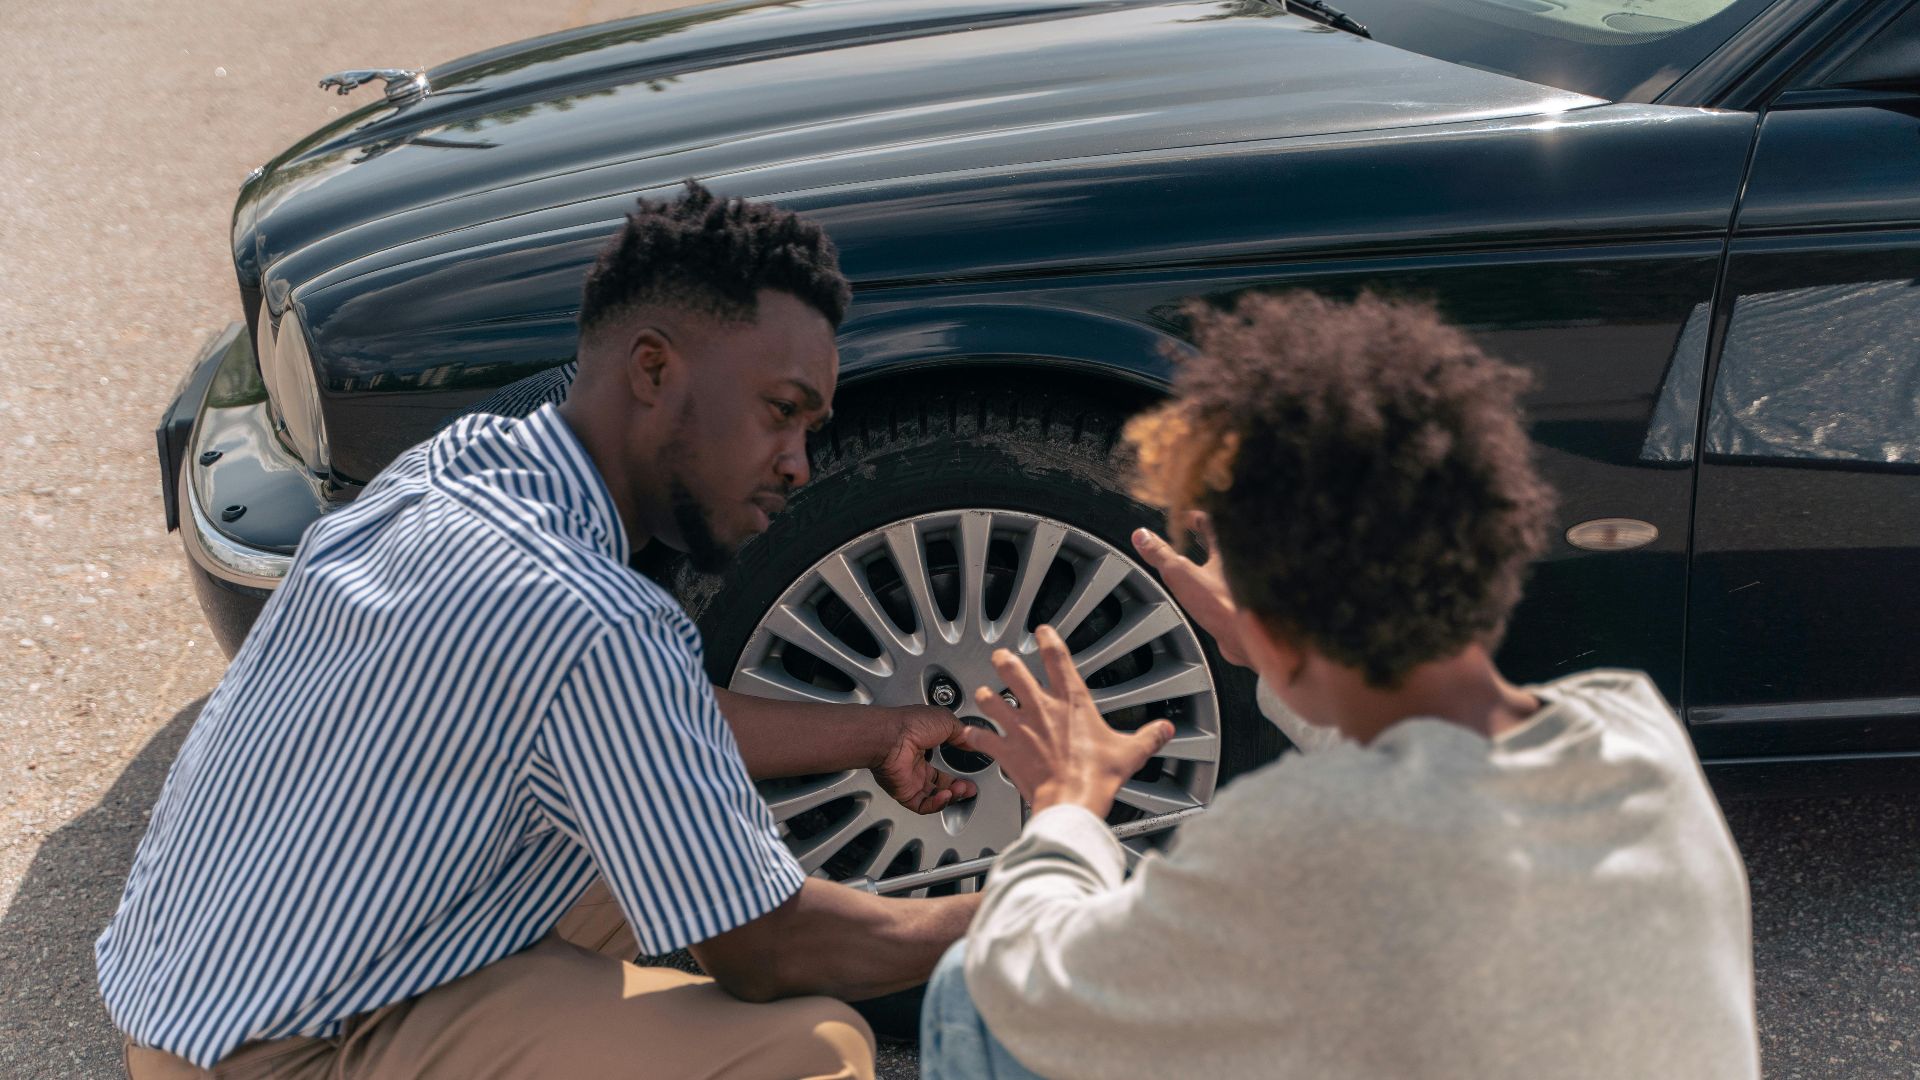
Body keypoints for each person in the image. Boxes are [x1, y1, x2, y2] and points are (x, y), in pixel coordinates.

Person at [97, 182, 983, 1080]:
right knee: (808, 1049)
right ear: (653, 371)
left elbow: (653, 726)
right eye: (779, 412)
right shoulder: (592, 616)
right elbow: (770, 951)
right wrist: (1036, 909)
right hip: (275, 1057)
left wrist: (874, 734)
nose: (798, 463)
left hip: (188, 994)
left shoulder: (454, 467)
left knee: (659, 839)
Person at [919, 292, 1760, 1079]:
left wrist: (1066, 805)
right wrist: (1270, 651)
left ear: (1272, 605)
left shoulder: (1303, 835)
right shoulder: (1636, 732)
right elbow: (1431, 772)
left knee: (968, 988)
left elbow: (1031, 989)